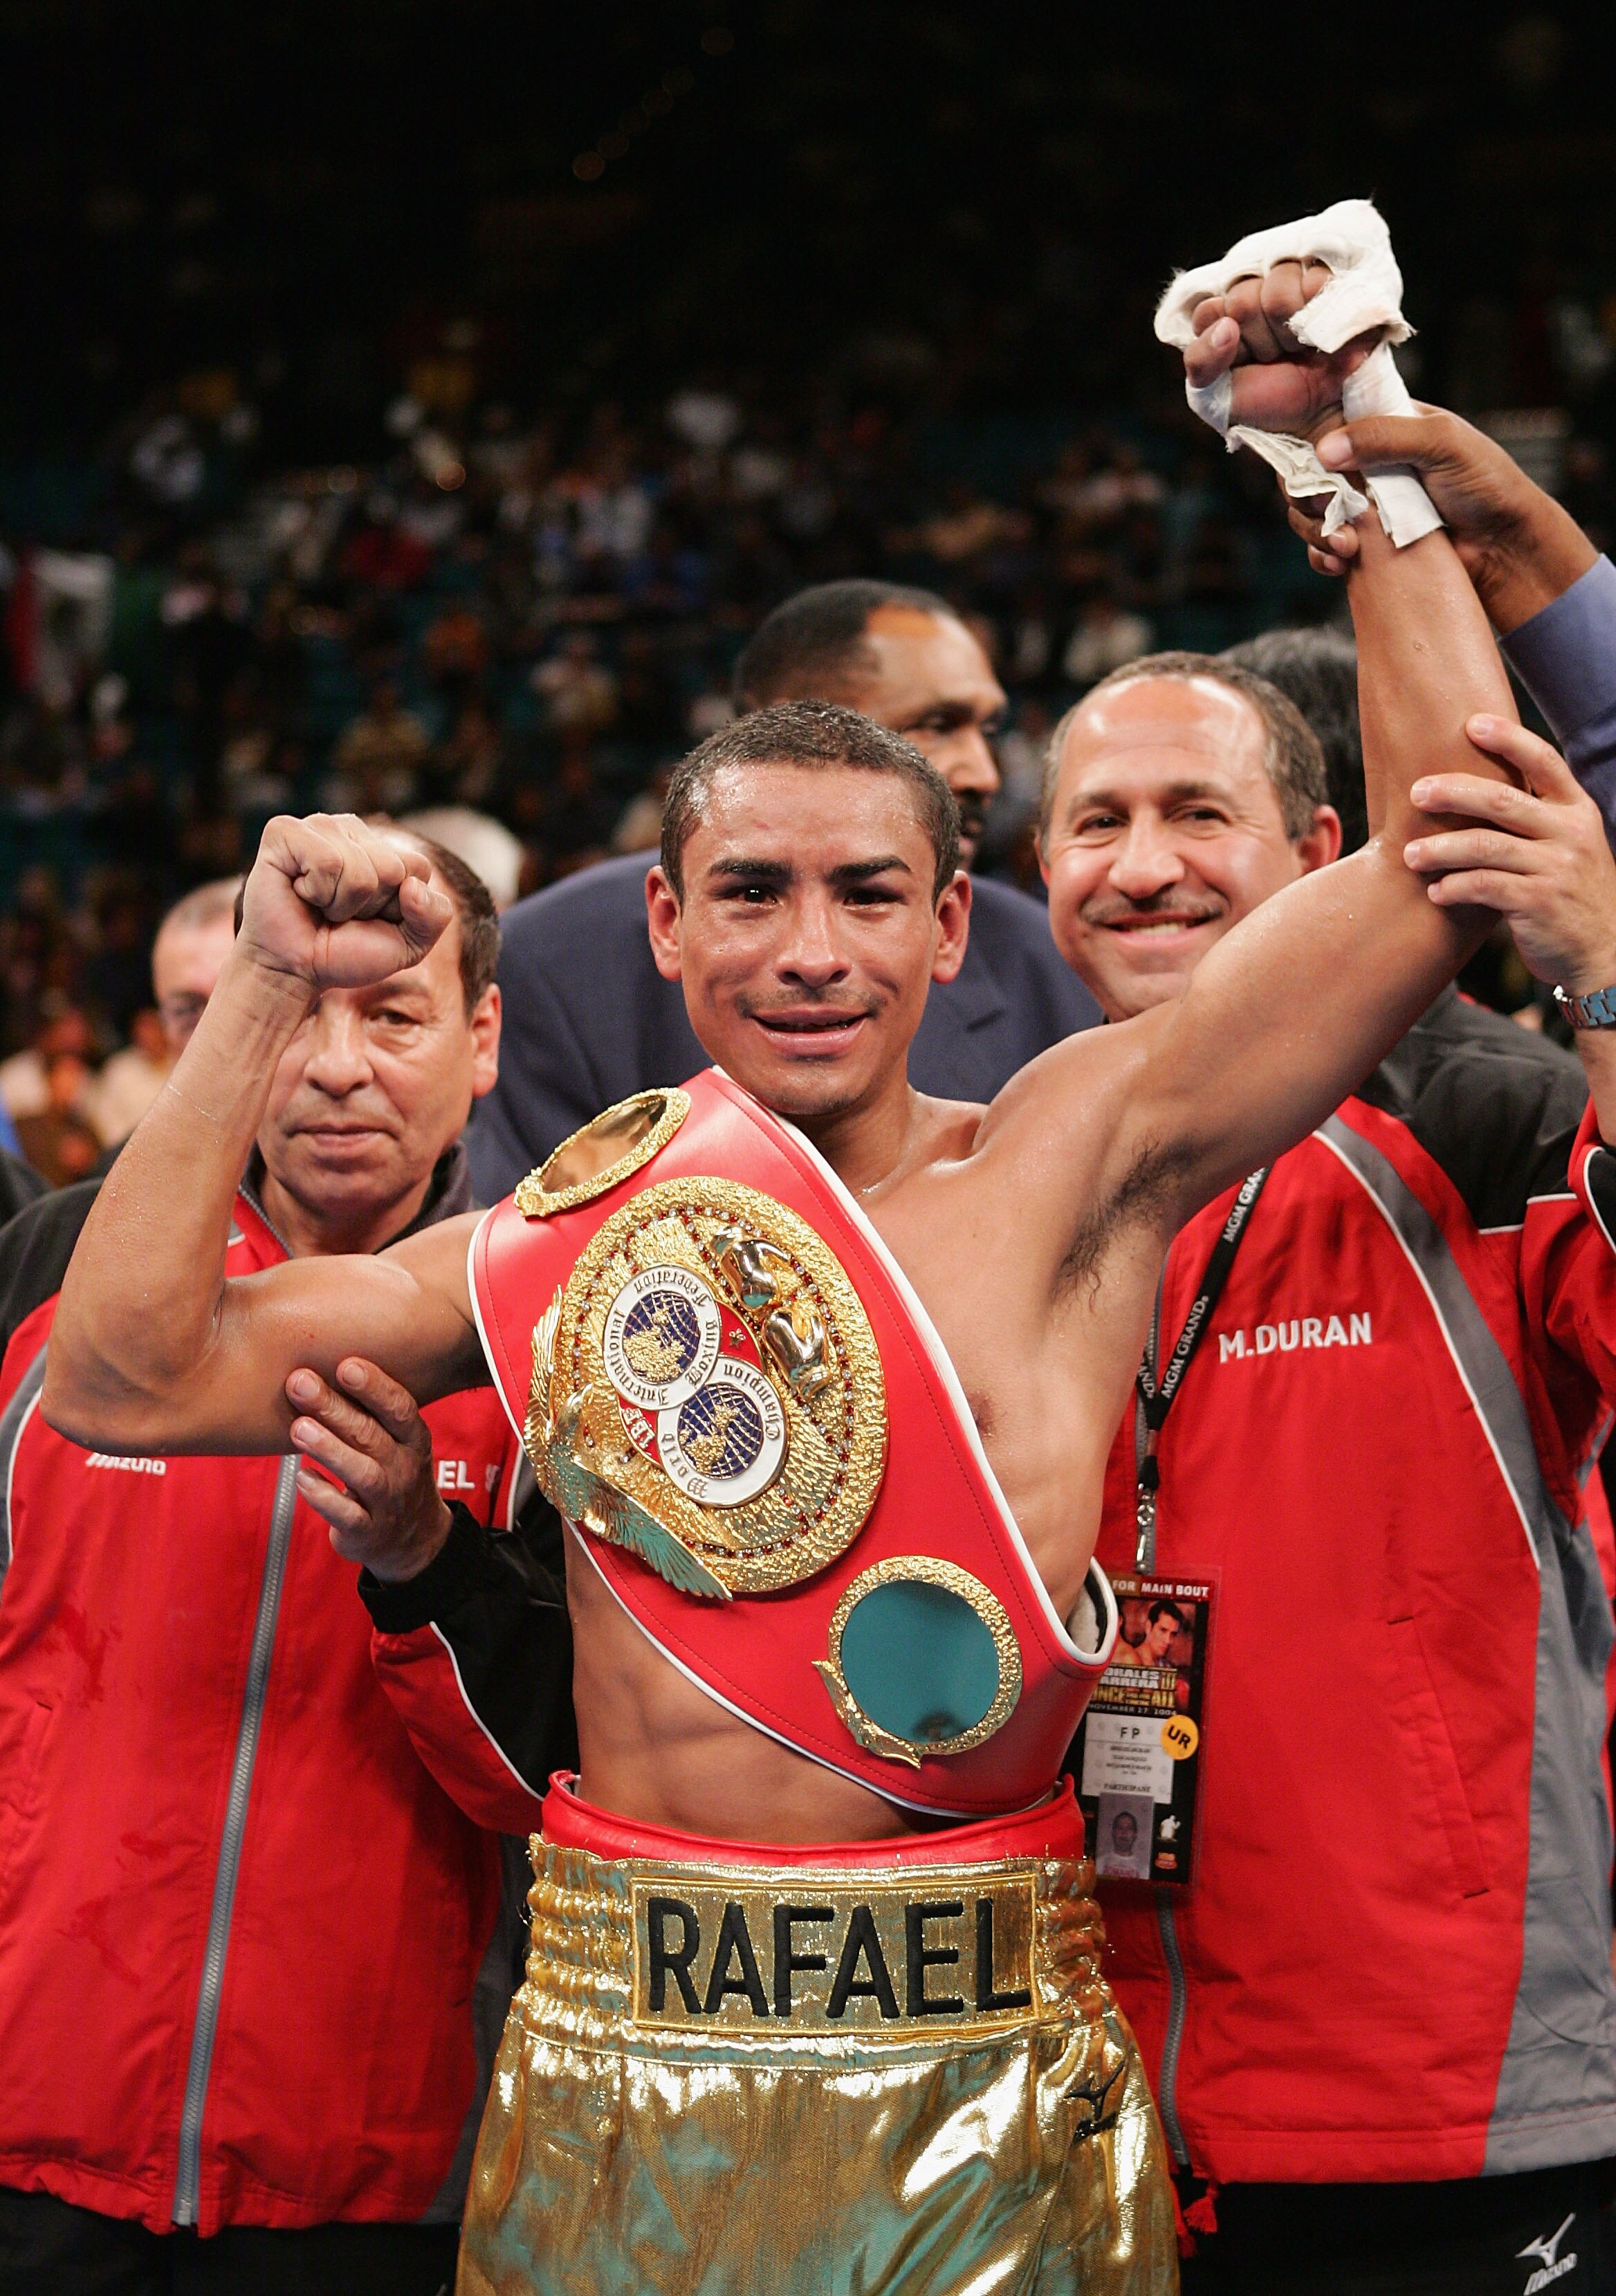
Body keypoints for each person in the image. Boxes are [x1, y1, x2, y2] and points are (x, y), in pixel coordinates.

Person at [40, 230, 1561, 2285]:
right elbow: (131, 1373)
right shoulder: (574, 1232)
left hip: (991, 2059)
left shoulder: (1083, 1154)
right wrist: (263, 986)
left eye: (868, 892)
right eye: (747, 891)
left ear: (954, 928)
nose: (810, 950)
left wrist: (1351, 457)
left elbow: (1445, 844)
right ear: (661, 929)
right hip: (611, 2054)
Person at [1037, 317, 1616, 2284]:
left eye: (1197, 814)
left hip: (1442, 2084)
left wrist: (1604, 984)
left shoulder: (1474, 1109)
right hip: (1092, 2089)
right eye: (1095, 824)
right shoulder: (1008, 1174)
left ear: (1317, 856)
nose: (1142, 867)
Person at [0, 833, 575, 2295]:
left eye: (391, 1016)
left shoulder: (560, 1328)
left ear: (482, 1037)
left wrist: (421, 1559)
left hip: (386, 2180)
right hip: (27, 2147)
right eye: (293, 1014)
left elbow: (562, 1778)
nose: (334, 1069)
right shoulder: (48, 1282)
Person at [466, 577, 1099, 1199]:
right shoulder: (557, 962)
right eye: (938, 724)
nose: (983, 773)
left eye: (986, 730)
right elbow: (522, 1259)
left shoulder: (1051, 965)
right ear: (781, 733)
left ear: (948, 925)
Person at [1112, 1600, 1185, 1670]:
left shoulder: (1167, 1667)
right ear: (1148, 1627)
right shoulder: (1129, 1660)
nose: (1168, 1640)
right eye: (1163, 1630)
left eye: (1173, 1634)